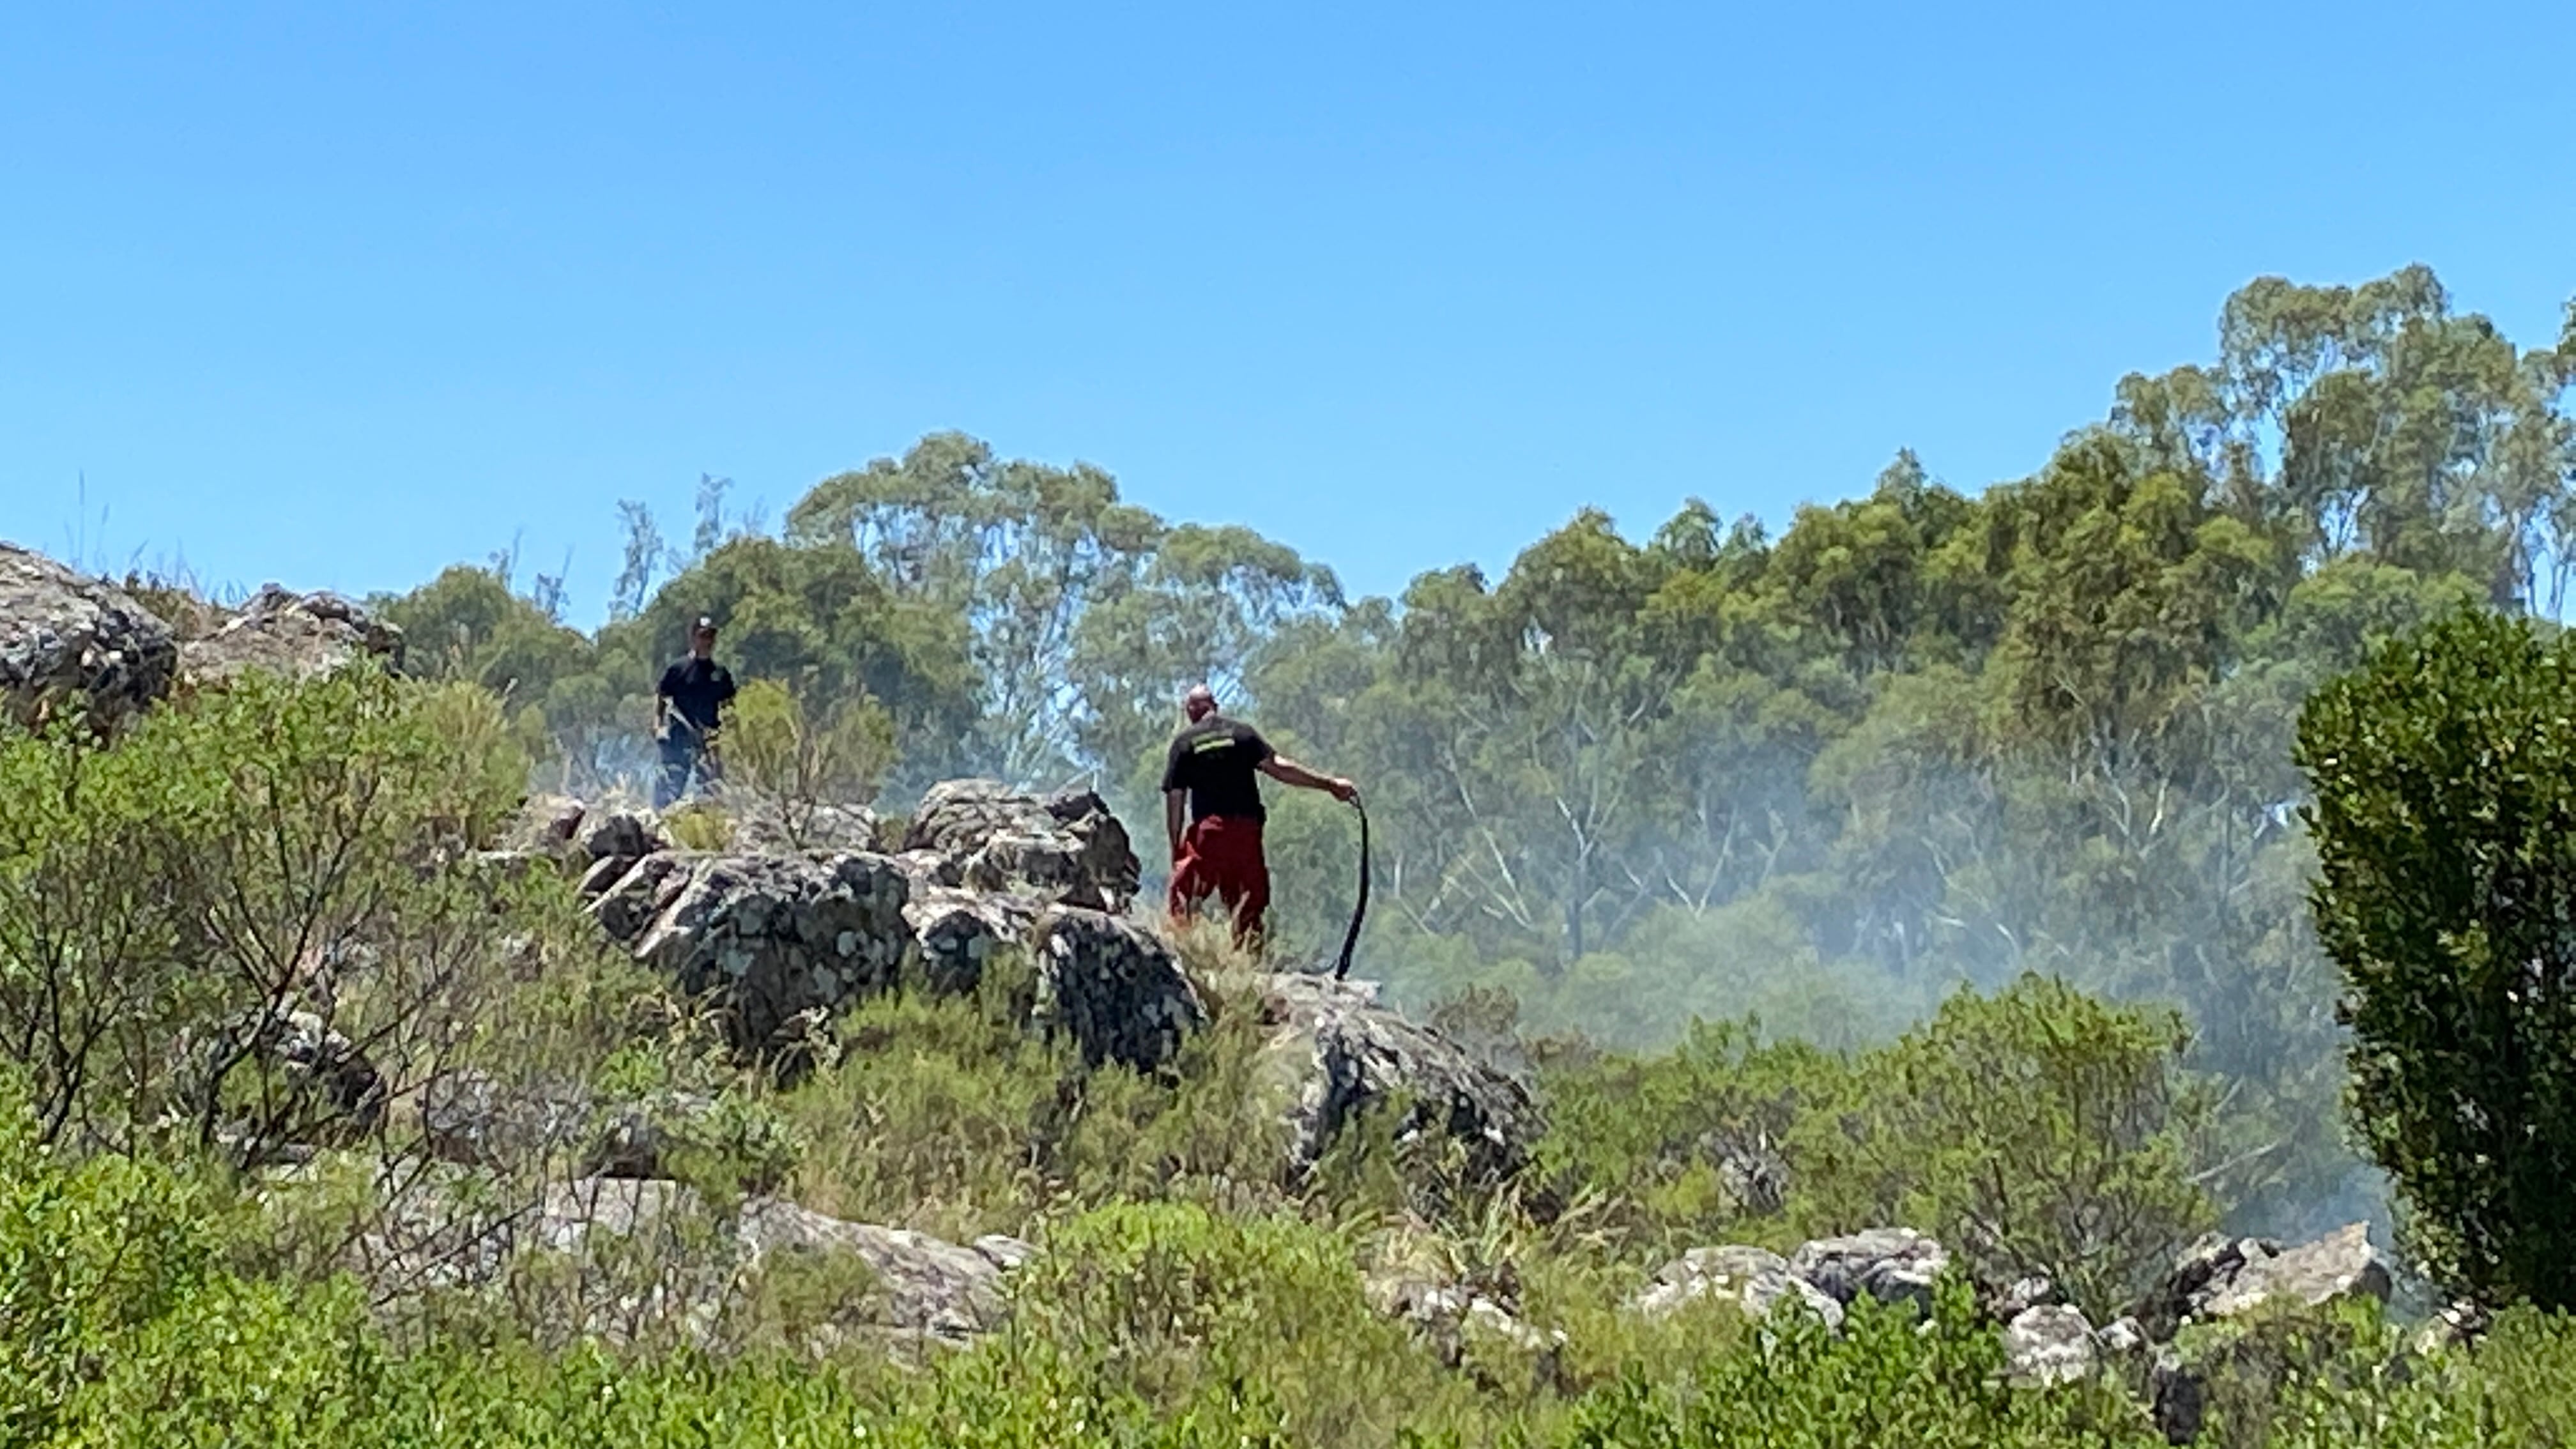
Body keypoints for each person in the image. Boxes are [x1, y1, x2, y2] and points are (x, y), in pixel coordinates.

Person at [1163, 683, 1358, 949]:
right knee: (1247, 903)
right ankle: (1248, 963)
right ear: (1215, 707)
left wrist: (1176, 848)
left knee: (1183, 893)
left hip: (1210, 833)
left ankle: (1178, 952)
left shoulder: (1184, 743)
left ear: (1190, 711)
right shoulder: (1243, 734)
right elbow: (1280, 768)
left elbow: (1176, 800)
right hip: (1246, 831)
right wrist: (1330, 785)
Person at [654, 616, 737, 808]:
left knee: (713, 785)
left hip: (710, 739)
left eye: (711, 636)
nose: (707, 641)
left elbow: (731, 705)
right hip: (680, 735)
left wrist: (728, 736)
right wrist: (658, 725)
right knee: (673, 782)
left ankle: (711, 823)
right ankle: (659, 820)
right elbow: (661, 695)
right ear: (693, 638)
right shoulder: (678, 669)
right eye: (703, 636)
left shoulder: (720, 674)